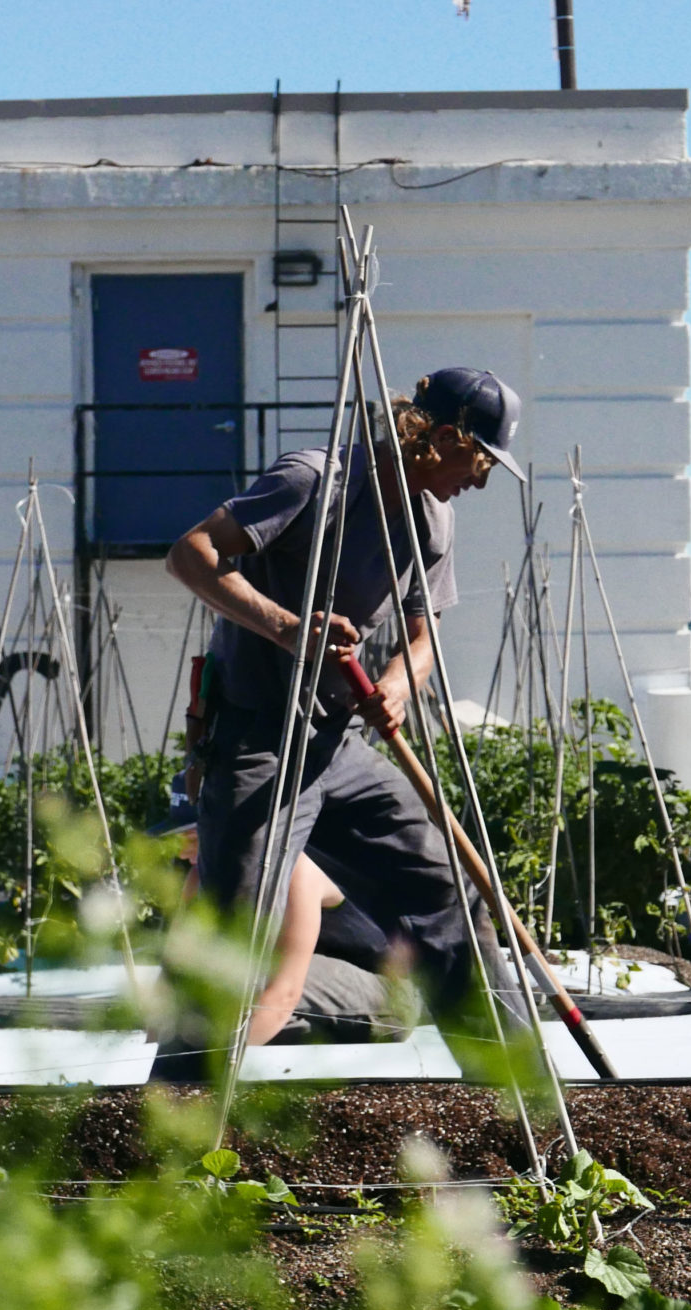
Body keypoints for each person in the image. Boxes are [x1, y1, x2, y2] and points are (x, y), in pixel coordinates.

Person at [164, 366, 527, 1055]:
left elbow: (423, 639)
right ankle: (172, 1127)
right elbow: (191, 554)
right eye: (480, 461)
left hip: (338, 745)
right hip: (258, 743)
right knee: (235, 935)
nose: (480, 481)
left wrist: (398, 681)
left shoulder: (430, 519)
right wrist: (287, 627)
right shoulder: (314, 481)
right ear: (443, 437)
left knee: (441, 889)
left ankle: (516, 1093)